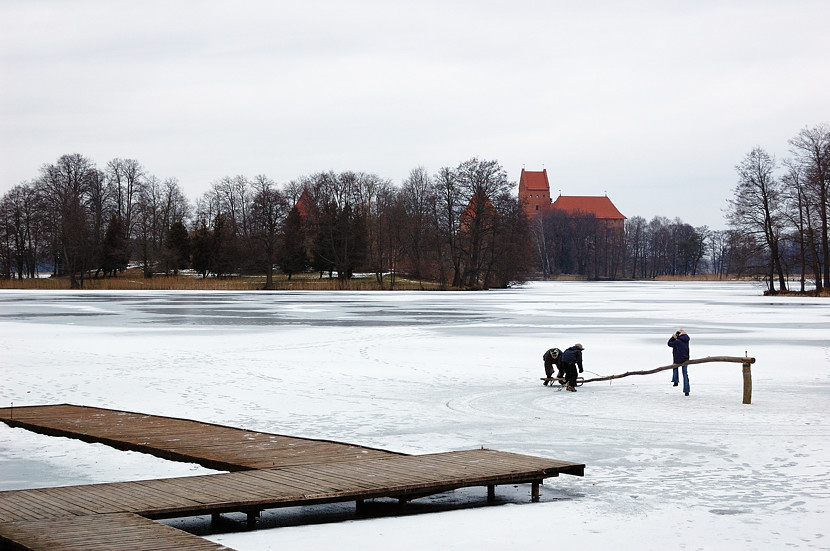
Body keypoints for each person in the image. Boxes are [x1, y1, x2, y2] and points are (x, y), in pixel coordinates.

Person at [668, 329, 691, 396]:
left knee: (675, 367)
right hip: (686, 358)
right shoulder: (686, 340)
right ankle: (687, 391)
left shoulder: (678, 341)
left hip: (677, 358)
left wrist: (673, 337)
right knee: (685, 374)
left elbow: (669, 343)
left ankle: (675, 381)